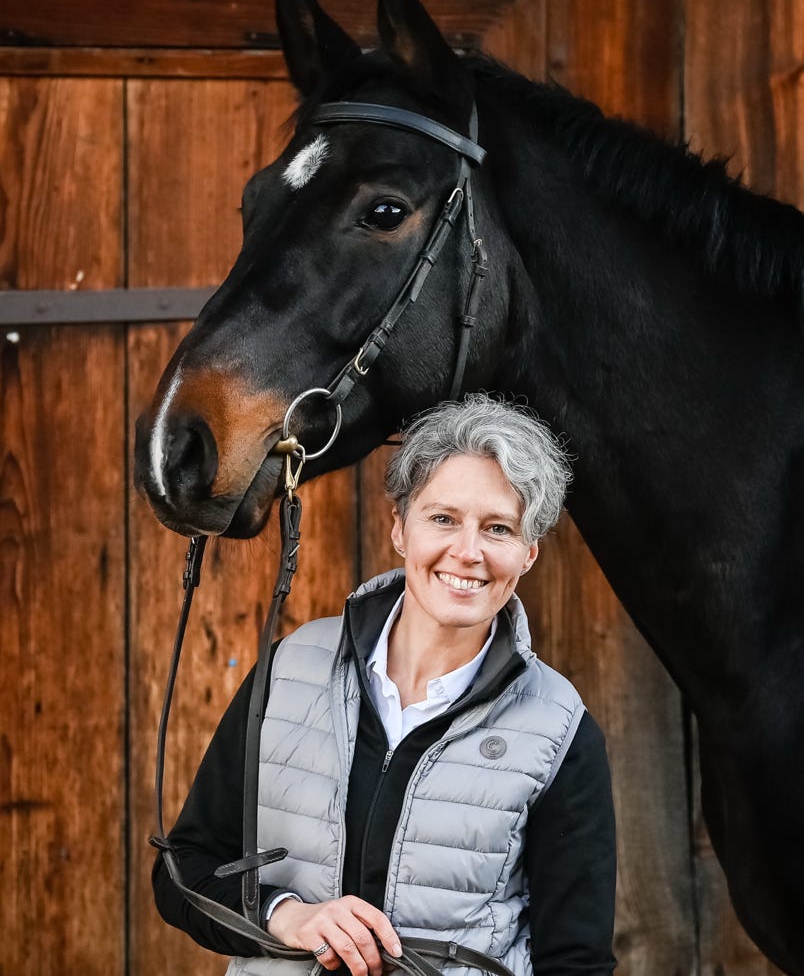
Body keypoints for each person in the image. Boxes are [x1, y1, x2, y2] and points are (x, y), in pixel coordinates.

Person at [153, 394, 617, 976]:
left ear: (528, 553)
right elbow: (183, 872)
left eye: (498, 528)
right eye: (442, 518)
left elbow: (576, 962)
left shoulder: (559, 730)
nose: (467, 552)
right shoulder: (289, 670)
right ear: (400, 528)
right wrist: (285, 915)